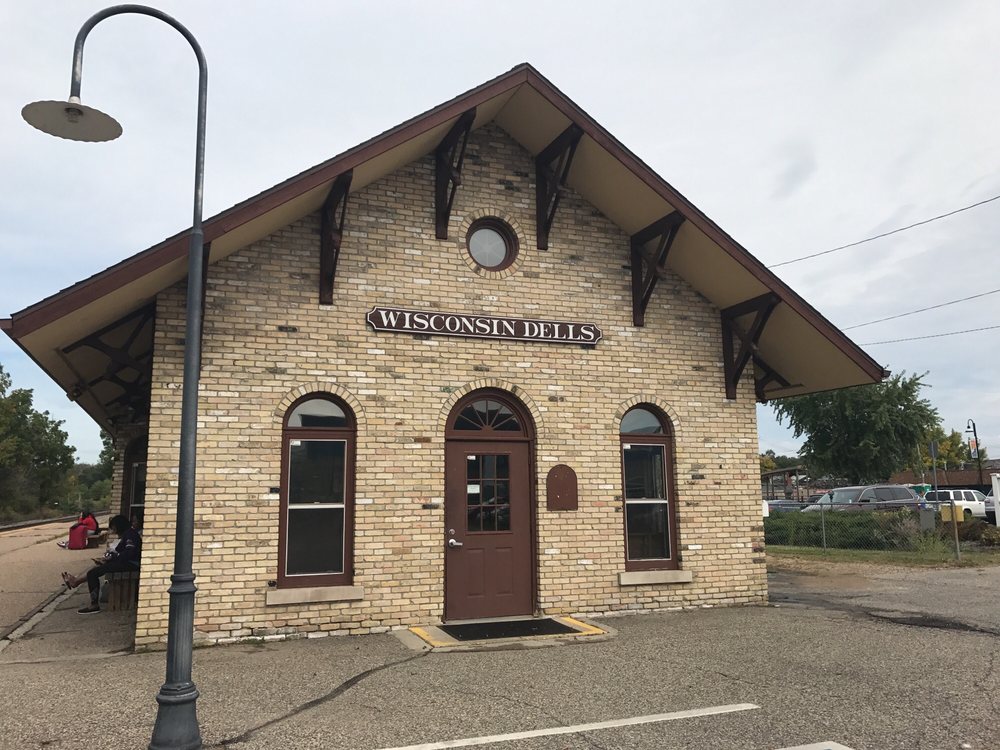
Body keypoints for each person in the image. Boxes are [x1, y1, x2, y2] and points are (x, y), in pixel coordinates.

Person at [61, 515, 141, 614]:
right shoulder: (128, 534)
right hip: (126, 563)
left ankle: (94, 605)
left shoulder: (130, 535)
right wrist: (107, 558)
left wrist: (112, 558)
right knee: (96, 568)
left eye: (114, 527)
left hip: (131, 565)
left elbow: (129, 553)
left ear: (119, 526)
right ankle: (76, 581)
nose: (113, 530)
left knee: (93, 573)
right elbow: (118, 551)